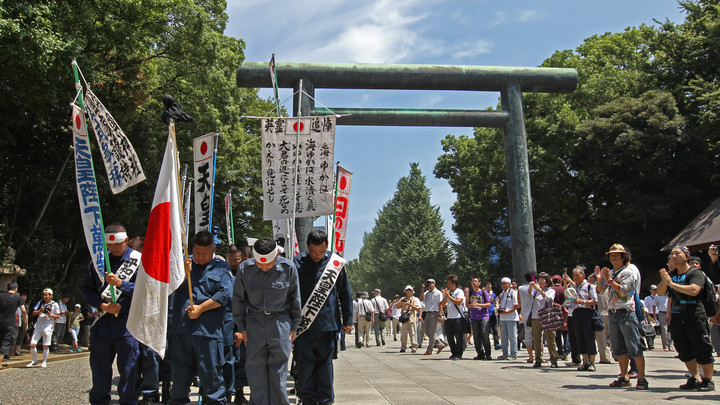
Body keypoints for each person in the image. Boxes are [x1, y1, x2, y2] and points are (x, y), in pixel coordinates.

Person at [233, 237, 301, 405]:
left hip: (280, 323)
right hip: (254, 324)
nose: (263, 267)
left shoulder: (288, 268)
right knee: (255, 370)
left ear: (276, 256)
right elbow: (238, 300)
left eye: (268, 264)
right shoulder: (245, 269)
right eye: (259, 264)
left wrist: (294, 326)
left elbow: (295, 299)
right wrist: (241, 327)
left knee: (278, 371)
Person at [169, 230, 234, 404]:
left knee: (211, 374)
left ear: (213, 249)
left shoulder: (222, 268)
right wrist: (181, 273)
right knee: (180, 375)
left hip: (208, 332)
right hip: (182, 330)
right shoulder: (183, 265)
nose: (200, 256)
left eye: (204, 253)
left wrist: (201, 308)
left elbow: (225, 295)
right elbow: (167, 287)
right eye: (197, 252)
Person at [82, 223, 141, 403]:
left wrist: (122, 284)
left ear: (127, 241)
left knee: (129, 369)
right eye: (111, 245)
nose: (115, 248)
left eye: (119, 244)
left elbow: (146, 290)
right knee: (99, 369)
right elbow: (88, 290)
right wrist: (102, 305)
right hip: (102, 323)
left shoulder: (138, 261)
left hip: (127, 324)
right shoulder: (97, 263)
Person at [293, 230, 353, 405]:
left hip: (328, 325)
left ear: (327, 246)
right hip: (304, 327)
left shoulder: (335, 264)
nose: (317, 255)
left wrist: (348, 319)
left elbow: (345, 293)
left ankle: (326, 399)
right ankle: (306, 398)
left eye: (321, 252)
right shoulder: (297, 263)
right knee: (304, 364)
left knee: (325, 365)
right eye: (313, 251)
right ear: (307, 246)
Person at [658, 245, 715, 391]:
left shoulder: (695, 273)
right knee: (684, 350)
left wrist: (672, 284)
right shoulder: (671, 274)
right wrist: (665, 281)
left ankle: (708, 380)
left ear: (687, 256)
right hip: (678, 318)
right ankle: (694, 377)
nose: (674, 256)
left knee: (702, 348)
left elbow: (694, 290)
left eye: (678, 253)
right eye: (672, 254)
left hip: (695, 316)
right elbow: (660, 292)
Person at [595, 243, 648, 390]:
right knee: (618, 348)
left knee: (634, 346)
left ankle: (642, 378)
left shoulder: (628, 271)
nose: (613, 256)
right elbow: (600, 291)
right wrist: (600, 279)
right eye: (611, 254)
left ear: (624, 256)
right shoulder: (611, 272)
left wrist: (610, 280)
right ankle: (624, 376)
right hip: (613, 312)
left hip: (626, 312)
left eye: (616, 254)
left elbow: (625, 292)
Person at [567, 266, 598, 371]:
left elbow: (594, 301)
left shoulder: (589, 286)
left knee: (589, 337)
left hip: (587, 313)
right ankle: (584, 361)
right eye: (574, 275)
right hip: (575, 313)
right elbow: (569, 302)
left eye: (577, 275)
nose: (575, 277)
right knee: (579, 338)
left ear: (583, 275)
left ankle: (592, 362)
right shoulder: (572, 287)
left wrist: (582, 302)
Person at [529, 272, 558, 368]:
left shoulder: (551, 290)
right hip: (535, 316)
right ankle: (538, 359)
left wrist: (540, 290)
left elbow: (549, 299)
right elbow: (529, 295)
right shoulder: (535, 291)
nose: (540, 281)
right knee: (537, 339)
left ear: (547, 281)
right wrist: (531, 286)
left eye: (542, 280)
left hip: (547, 315)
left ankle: (553, 360)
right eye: (539, 280)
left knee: (550, 339)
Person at [27, 288, 60, 368]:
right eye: (43, 295)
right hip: (38, 325)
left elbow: (58, 315)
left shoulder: (55, 304)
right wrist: (40, 311)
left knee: (45, 345)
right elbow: (33, 312)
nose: (44, 296)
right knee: (32, 343)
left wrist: (51, 315)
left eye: (46, 295)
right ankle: (34, 360)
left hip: (48, 326)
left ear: (51, 296)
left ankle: (44, 361)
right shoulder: (40, 302)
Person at [1, 282, 26, 370]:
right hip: (9, 322)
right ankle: (0, 363)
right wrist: (24, 319)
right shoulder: (17, 298)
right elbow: (23, 310)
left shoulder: (1, 296)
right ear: (16, 289)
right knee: (6, 341)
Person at [441, 275, 466, 360]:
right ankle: (453, 352)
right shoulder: (449, 293)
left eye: (450, 283)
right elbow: (442, 303)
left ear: (454, 283)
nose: (448, 285)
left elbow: (458, 302)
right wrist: (446, 295)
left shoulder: (459, 291)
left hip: (458, 318)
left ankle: (459, 354)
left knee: (459, 337)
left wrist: (449, 296)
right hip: (449, 318)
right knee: (449, 337)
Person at [467, 276, 491, 360]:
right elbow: (467, 305)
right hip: (474, 317)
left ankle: (488, 354)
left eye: (476, 281)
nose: (474, 283)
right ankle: (480, 353)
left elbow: (488, 304)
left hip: (484, 317)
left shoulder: (484, 292)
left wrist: (479, 304)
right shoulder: (469, 293)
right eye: (473, 281)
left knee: (485, 335)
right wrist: (472, 305)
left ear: (479, 283)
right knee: (476, 336)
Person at [420, 279, 445, 355]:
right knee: (426, 331)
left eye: (431, 284)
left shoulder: (438, 293)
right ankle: (439, 344)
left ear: (434, 284)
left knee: (431, 332)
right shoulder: (427, 293)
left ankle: (429, 350)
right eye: (429, 284)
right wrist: (422, 290)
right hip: (427, 312)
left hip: (434, 313)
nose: (430, 285)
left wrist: (440, 315)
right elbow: (421, 299)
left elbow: (441, 304)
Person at [497, 277, 519, 360]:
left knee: (512, 336)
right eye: (502, 283)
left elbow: (516, 306)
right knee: (504, 337)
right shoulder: (502, 293)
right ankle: (505, 353)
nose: (503, 285)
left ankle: (514, 354)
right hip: (503, 317)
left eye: (505, 283)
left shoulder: (513, 293)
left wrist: (508, 311)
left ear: (509, 284)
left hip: (511, 317)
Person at [518, 270, 536, 363]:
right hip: (536, 314)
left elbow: (519, 302)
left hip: (525, 313)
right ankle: (538, 356)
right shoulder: (536, 288)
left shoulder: (520, 288)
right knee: (538, 336)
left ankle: (530, 356)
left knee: (528, 335)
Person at [398, 285, 421, 353]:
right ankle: (403, 346)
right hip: (404, 317)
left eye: (409, 290)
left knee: (413, 333)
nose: (408, 292)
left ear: (412, 292)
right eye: (407, 290)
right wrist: (401, 302)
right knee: (403, 334)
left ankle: (414, 346)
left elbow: (417, 308)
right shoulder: (403, 298)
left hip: (411, 317)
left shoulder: (415, 299)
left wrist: (409, 304)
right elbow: (397, 306)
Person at [484, 282, 500, 350]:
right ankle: (486, 345)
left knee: (495, 329)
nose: (489, 289)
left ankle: (496, 343)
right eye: (488, 287)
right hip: (485, 314)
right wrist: (490, 301)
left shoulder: (493, 294)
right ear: (485, 287)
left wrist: (497, 307)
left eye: (490, 287)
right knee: (486, 330)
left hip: (493, 314)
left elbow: (496, 302)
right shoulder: (483, 294)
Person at [643, 285, 657, 350]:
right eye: (654, 290)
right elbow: (645, 307)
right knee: (650, 331)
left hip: (659, 314)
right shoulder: (647, 298)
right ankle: (650, 344)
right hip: (650, 315)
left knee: (657, 331)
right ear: (651, 290)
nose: (656, 291)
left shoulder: (659, 296)